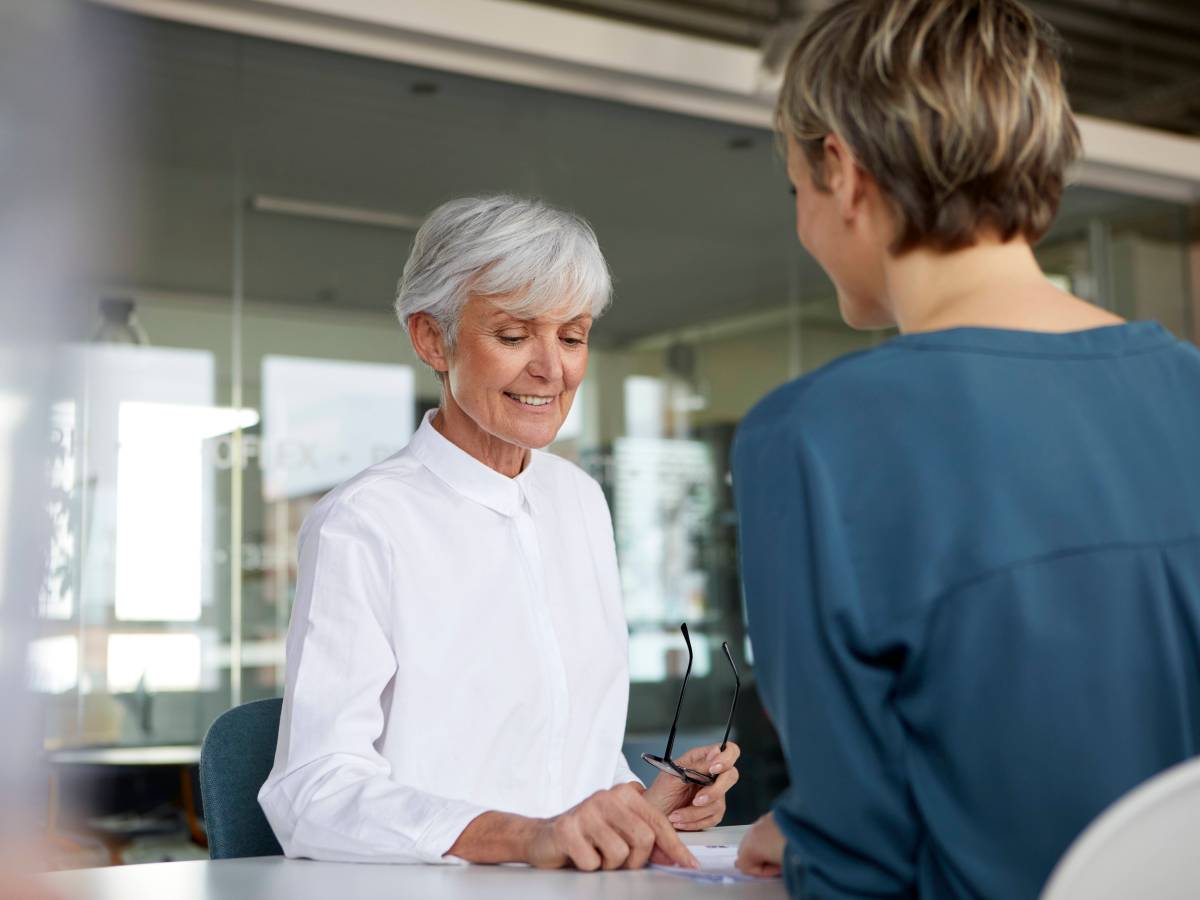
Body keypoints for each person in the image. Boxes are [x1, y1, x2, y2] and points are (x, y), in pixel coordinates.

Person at [732, 1, 1200, 897]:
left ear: (843, 167)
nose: (804, 222)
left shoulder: (813, 440)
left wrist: (812, 840)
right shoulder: (1188, 388)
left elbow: (859, 869)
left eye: (798, 186)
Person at [259, 195, 740, 871]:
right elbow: (312, 791)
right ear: (432, 338)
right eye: (514, 336)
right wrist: (524, 838)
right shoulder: (364, 524)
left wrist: (643, 804)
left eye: (572, 337)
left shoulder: (579, 502)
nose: (552, 368)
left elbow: (567, 758)